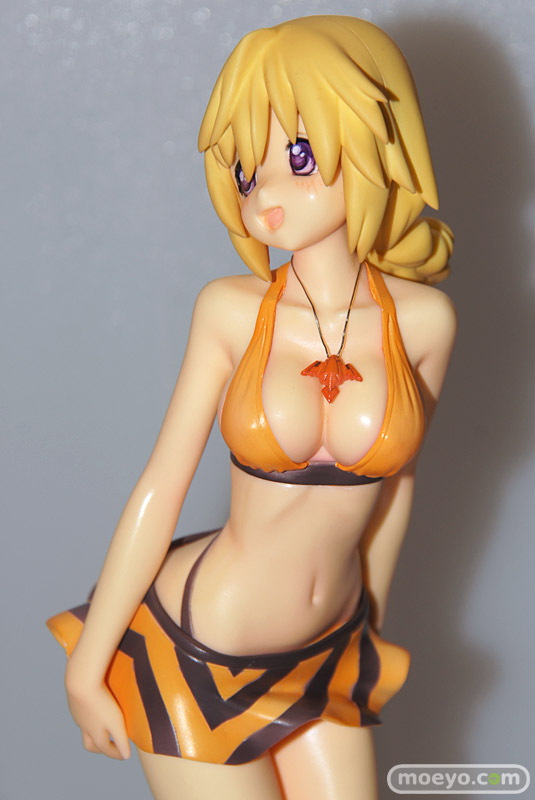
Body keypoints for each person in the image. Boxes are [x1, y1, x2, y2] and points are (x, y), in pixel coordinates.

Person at [47, 16, 456, 800]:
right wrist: (86, 665)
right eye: (244, 171)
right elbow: (161, 486)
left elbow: (396, 488)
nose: (264, 194)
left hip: (330, 646)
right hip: (197, 653)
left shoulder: (426, 323)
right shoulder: (230, 311)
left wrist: (371, 628)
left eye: (298, 157)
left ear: (372, 139)